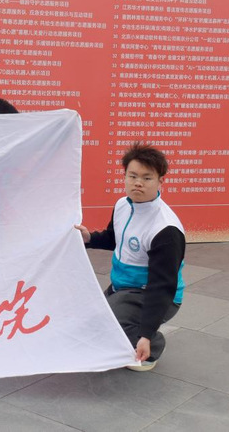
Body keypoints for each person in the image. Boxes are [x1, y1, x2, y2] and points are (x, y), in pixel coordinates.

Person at [75, 142, 185, 371]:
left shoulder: (166, 230)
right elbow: (115, 238)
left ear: (160, 181)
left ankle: (153, 345)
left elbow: (162, 286)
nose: (138, 183)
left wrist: (145, 334)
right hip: (123, 287)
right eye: (132, 176)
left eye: (147, 178)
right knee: (92, 323)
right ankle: (129, 323)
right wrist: (89, 238)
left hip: (155, 293)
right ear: (124, 176)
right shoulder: (122, 205)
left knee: (113, 326)